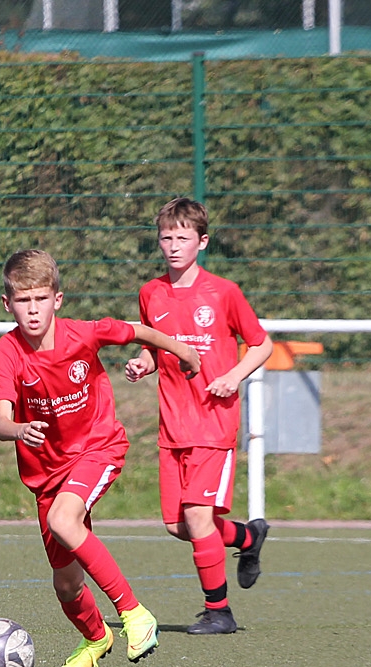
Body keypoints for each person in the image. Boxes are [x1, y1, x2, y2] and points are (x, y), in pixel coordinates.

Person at [0, 249, 201, 667]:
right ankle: (95, 638)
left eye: (41, 299)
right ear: (8, 304)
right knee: (66, 585)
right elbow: (0, 421)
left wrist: (183, 351)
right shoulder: (7, 351)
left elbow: (137, 330)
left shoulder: (83, 334)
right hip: (46, 475)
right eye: (23, 301)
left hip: (97, 448)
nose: (33, 309)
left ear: (58, 299)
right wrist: (18, 429)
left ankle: (134, 613)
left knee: (63, 519)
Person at [127, 198, 272, 634]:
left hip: (213, 422)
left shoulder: (223, 292)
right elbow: (154, 349)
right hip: (172, 424)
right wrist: (142, 364)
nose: (173, 246)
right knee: (178, 525)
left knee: (196, 516)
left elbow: (261, 344)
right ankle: (248, 537)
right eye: (166, 237)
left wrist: (233, 376)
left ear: (202, 242)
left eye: (183, 237)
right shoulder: (151, 293)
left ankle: (219, 612)